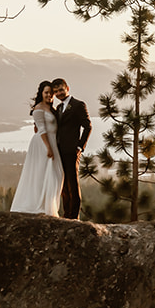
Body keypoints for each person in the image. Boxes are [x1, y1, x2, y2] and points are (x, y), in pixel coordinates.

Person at [9, 80, 64, 216]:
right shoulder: (38, 109)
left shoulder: (51, 108)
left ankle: (49, 205)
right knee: (46, 174)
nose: (49, 96)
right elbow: (42, 130)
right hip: (43, 144)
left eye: (51, 93)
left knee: (57, 174)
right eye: (46, 93)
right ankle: (41, 206)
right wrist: (49, 148)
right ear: (41, 93)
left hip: (52, 142)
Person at [49, 77, 92, 219]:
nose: (59, 93)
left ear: (67, 88)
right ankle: (66, 213)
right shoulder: (59, 108)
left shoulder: (78, 105)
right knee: (63, 184)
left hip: (72, 150)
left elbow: (88, 126)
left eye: (61, 90)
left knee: (72, 183)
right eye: (56, 92)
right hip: (59, 150)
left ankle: (74, 216)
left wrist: (80, 146)